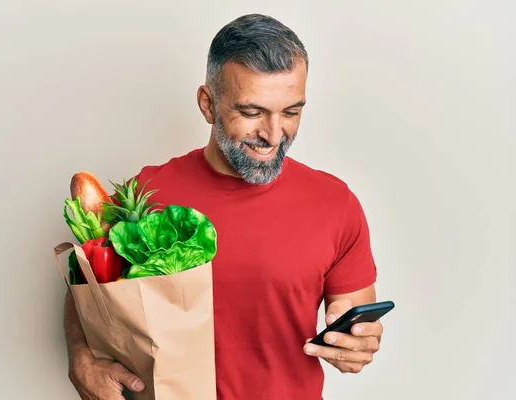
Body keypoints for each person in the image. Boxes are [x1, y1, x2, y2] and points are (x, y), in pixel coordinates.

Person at [63, 13, 384, 400]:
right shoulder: (146, 195)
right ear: (208, 104)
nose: (272, 134)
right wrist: (81, 357)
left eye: (291, 112)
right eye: (251, 113)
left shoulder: (336, 204)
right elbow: (85, 287)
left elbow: (353, 327)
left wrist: (356, 348)